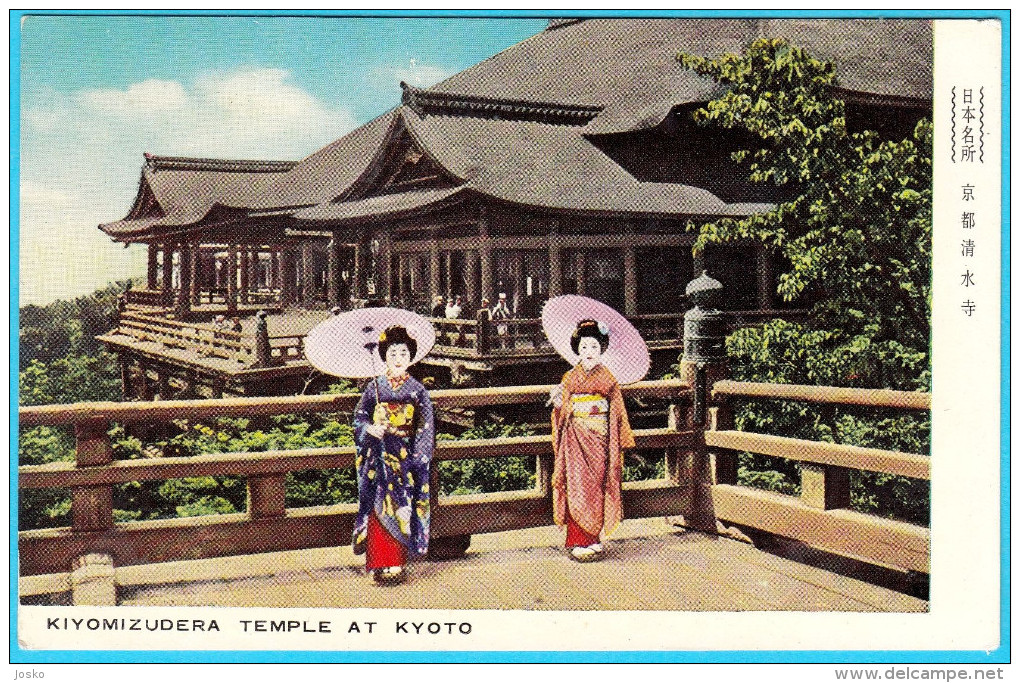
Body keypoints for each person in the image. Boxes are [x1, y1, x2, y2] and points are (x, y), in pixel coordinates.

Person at [352, 325, 435, 583]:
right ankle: (378, 562)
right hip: (378, 454)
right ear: (384, 357)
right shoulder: (373, 388)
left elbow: (425, 425)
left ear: (410, 357)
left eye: (403, 353)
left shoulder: (417, 390)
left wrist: (419, 455)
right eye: (393, 354)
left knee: (402, 506)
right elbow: (359, 417)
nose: (398, 359)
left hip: (404, 455)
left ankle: (396, 562)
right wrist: (370, 429)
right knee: (378, 506)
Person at [548, 319, 635, 562]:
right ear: (577, 350)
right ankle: (577, 540)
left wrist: (618, 437)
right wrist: (558, 405)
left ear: (601, 350)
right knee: (578, 486)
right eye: (584, 347)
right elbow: (563, 408)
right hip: (576, 438)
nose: (589, 353)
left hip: (601, 439)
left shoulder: (608, 379)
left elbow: (617, 411)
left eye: (594, 347)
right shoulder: (570, 378)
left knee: (597, 487)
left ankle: (594, 539)